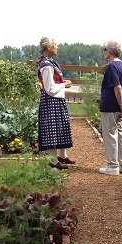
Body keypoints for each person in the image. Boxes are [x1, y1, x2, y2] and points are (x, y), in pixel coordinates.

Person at [36, 37, 76, 170]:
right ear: (48, 47)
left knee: (63, 125)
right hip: (51, 100)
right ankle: (53, 160)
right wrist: (64, 85)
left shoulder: (51, 62)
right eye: (55, 45)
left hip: (56, 100)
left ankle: (62, 155)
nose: (57, 47)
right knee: (53, 128)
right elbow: (49, 88)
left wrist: (63, 85)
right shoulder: (46, 66)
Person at [99, 40, 122, 175]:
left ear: (111, 51)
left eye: (105, 48)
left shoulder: (112, 66)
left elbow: (117, 87)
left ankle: (113, 166)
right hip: (120, 108)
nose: (104, 51)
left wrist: (121, 104)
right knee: (121, 134)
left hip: (110, 106)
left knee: (110, 135)